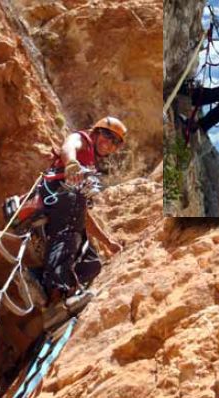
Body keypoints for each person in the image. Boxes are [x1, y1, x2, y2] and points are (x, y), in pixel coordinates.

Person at [29, 116, 126, 308]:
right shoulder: (82, 140)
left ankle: (40, 279)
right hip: (53, 194)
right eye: (107, 136)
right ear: (97, 133)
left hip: (69, 205)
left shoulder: (90, 167)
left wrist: (107, 243)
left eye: (115, 142)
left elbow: (82, 215)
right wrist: (71, 163)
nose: (109, 144)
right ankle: (59, 292)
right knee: (72, 222)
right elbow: (68, 147)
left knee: (92, 263)